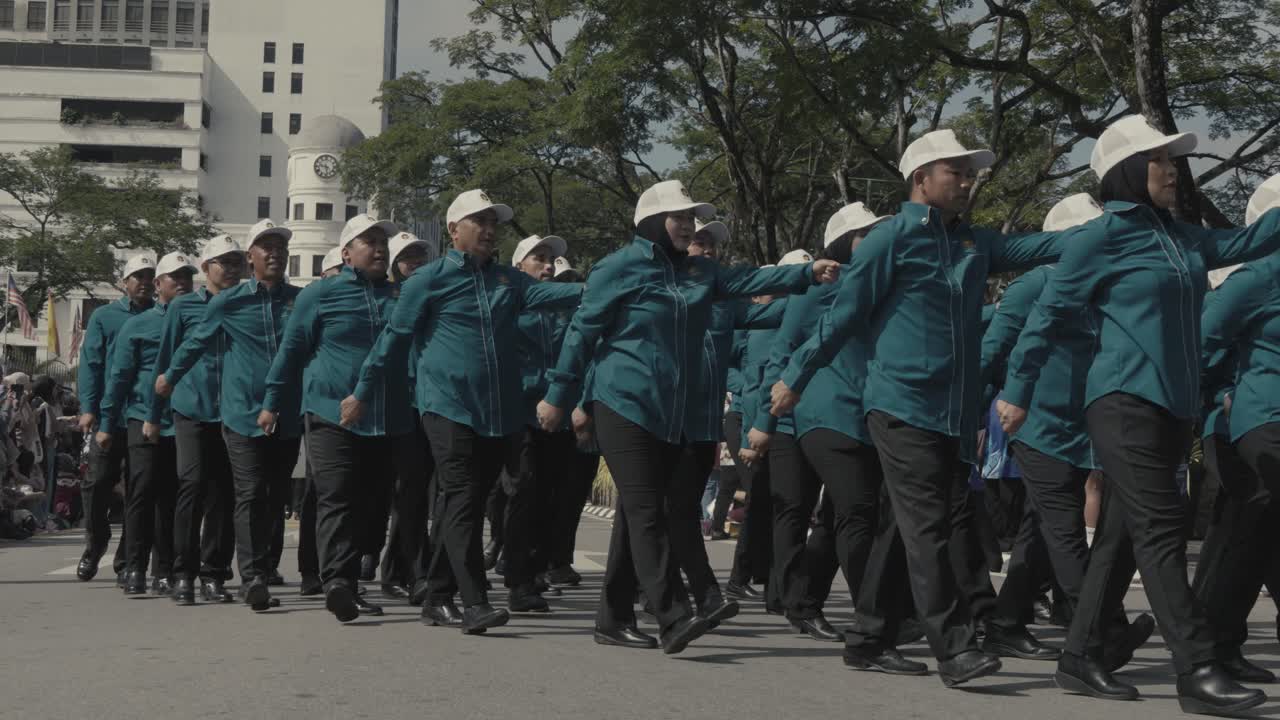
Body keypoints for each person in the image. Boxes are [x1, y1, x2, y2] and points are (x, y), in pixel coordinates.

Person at [998, 115, 1280, 714]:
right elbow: (1046, 318)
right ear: (1128, 171)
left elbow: (1248, 242)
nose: (1173, 170)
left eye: (1173, 160)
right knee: (1161, 529)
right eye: (1159, 160)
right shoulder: (1098, 238)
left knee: (1123, 536)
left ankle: (1080, 657)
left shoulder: (1179, 236)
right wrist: (1016, 391)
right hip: (1124, 400)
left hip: (1173, 407)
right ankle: (1198, 668)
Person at [769, 129, 1066, 686]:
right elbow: (843, 316)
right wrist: (795, 376)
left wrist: (1116, 228)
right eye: (954, 171)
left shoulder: (974, 242)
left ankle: (866, 637)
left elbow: (1048, 245)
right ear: (920, 179)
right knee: (929, 525)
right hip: (900, 403)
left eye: (968, 171)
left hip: (952, 413)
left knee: (903, 528)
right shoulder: (890, 239)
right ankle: (954, 648)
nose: (966, 180)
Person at [536, 179, 840, 654]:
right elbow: (581, 333)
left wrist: (806, 274)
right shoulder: (616, 268)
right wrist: (559, 394)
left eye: (690, 218)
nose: (687, 225)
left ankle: (612, 618)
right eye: (678, 217)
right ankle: (673, 614)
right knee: (644, 509)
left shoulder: (701, 273)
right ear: (651, 221)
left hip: (669, 413)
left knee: (636, 516)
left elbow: (749, 280)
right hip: (621, 402)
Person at [350, 189, 582, 635]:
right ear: (454, 229)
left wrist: (606, 288)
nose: (490, 229)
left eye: (493, 222)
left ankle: (437, 595)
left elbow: (553, 296)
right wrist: (361, 392)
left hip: (496, 413)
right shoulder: (429, 280)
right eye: (479, 221)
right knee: (460, 498)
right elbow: (393, 340)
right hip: (445, 407)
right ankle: (474, 602)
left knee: (469, 505)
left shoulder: (506, 282)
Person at [979, 194, 1155, 667]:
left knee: (1040, 530)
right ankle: (1105, 629)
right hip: (1037, 425)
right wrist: (980, 412)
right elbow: (992, 352)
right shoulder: (1033, 285)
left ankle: (1006, 624)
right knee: (1066, 530)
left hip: (1083, 427)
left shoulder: (1104, 285)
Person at [749, 204, 907, 655]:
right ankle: (874, 617)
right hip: (823, 412)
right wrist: (763, 422)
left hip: (867, 413)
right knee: (857, 514)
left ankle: (804, 601)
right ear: (840, 243)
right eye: (864, 234)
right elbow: (783, 352)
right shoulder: (817, 292)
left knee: (841, 519)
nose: (875, 240)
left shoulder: (882, 284)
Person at [261, 213, 406, 623]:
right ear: (345, 253)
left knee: (373, 502)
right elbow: (291, 352)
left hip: (387, 417)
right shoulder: (319, 295)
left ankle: (352, 577)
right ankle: (339, 584)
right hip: (330, 413)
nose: (379, 249)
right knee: (337, 495)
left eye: (382, 242)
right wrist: (272, 401)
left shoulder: (400, 297)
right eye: (369, 241)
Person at [156, 219, 302, 613]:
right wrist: (169, 379)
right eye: (265, 247)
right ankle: (242, 576)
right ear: (253, 257)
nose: (274, 253)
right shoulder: (228, 302)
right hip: (238, 414)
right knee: (234, 491)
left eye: (280, 247)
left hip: (287, 415)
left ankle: (227, 571)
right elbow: (192, 344)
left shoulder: (300, 300)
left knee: (269, 498)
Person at [1188, 179, 1280, 683]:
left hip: (1251, 424)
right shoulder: (1250, 278)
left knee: (1247, 540)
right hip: (1246, 422)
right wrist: (1218, 394)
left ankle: (1219, 643)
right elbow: (1200, 347)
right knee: (1239, 538)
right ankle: (1212, 645)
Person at [154, 235, 245, 604]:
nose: (233, 269)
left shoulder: (246, 303)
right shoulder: (184, 307)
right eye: (225, 262)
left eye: (237, 262)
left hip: (235, 410)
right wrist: (154, 414)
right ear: (206, 268)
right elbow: (166, 361)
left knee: (225, 494)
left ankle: (215, 574)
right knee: (191, 485)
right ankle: (183, 573)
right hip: (192, 408)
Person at [100, 251, 197, 596]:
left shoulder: (197, 320)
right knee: (141, 493)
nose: (183, 283)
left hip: (183, 420)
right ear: (158, 285)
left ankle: (165, 570)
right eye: (176, 278)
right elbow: (119, 378)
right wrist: (106, 424)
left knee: (173, 497)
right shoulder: (136, 325)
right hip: (142, 418)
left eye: (188, 277)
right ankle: (134, 566)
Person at [502, 233, 573, 611]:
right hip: (520, 413)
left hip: (557, 415)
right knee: (523, 492)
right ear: (519, 267)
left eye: (550, 259)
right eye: (538, 258)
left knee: (550, 497)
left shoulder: (560, 310)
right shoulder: (510, 305)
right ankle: (518, 578)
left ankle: (537, 568)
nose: (547, 266)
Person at [75, 254, 155, 584]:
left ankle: (128, 561)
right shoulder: (105, 317)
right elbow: (91, 363)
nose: (144, 282)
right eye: (137, 276)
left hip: (144, 417)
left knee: (141, 491)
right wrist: (88, 408)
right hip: (109, 418)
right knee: (96, 485)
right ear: (124, 282)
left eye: (150, 276)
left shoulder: (161, 315)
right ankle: (95, 545)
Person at [379, 231, 438, 601]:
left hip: (433, 401)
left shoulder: (435, 295)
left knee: (419, 492)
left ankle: (400, 568)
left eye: (419, 255)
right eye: (406, 257)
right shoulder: (387, 299)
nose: (413, 262)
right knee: (409, 492)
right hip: (400, 404)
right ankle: (410, 569)